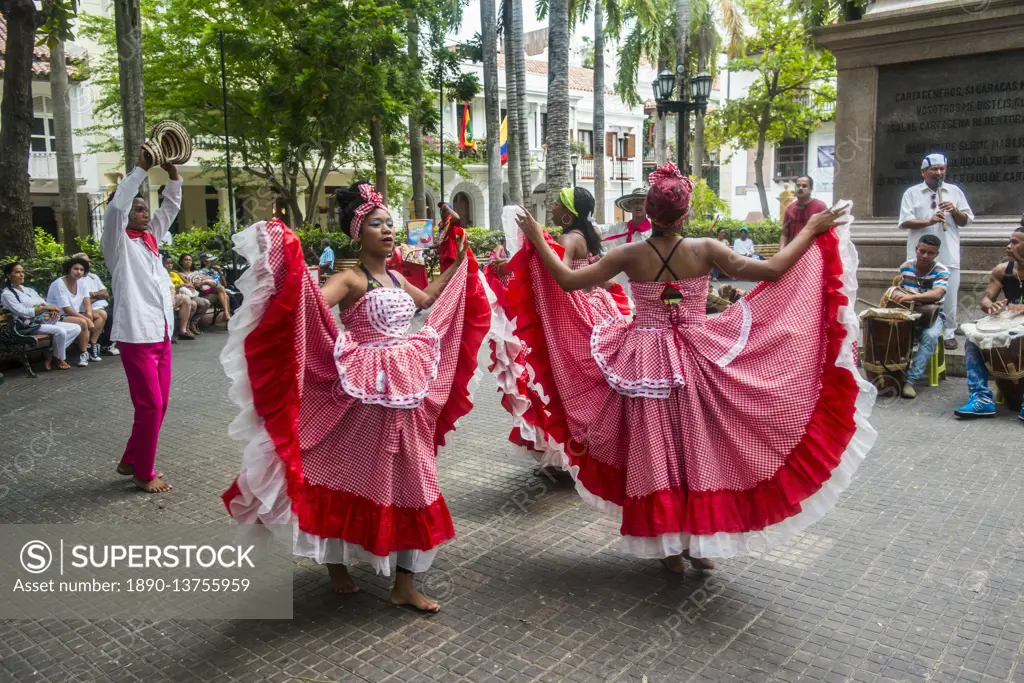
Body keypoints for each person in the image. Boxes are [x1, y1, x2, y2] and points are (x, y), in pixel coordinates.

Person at [507, 161, 875, 571]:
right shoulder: (706, 249)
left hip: (642, 360)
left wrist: (535, 239)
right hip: (698, 354)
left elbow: (567, 281)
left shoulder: (629, 253)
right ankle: (692, 544)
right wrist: (811, 230)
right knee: (698, 446)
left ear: (647, 212)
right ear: (686, 213)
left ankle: (672, 547)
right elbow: (773, 270)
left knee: (657, 449)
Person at [221, 181, 489, 612]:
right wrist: (287, 264)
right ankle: (336, 564)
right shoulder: (348, 276)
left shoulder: (398, 275)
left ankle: (404, 584)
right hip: (363, 393)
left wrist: (459, 261)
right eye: (376, 224)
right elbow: (309, 306)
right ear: (357, 233)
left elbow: (428, 299)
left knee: (416, 479)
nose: (387, 231)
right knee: (349, 477)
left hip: (408, 389)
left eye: (389, 224)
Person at [101, 146, 181, 494]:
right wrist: (140, 171)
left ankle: (131, 459)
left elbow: (171, 207)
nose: (143, 212)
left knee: (159, 405)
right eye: (138, 208)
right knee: (149, 405)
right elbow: (118, 207)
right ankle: (143, 474)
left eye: (145, 207)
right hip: (136, 335)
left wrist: (173, 175)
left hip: (162, 332)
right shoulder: (117, 243)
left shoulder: (151, 239)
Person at [899, 153, 974, 350]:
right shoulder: (911, 193)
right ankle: (915, 329)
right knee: (914, 292)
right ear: (923, 172)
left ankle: (948, 332)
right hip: (919, 254)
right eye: (934, 169)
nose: (939, 172)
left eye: (942, 168)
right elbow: (905, 221)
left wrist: (955, 211)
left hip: (948, 252)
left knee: (949, 294)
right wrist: (929, 221)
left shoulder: (954, 191)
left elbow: (966, 220)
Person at [953, 225, 1024, 421]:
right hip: (1010, 324)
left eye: (1014, 242)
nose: (1008, 246)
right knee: (972, 340)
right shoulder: (1002, 270)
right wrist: (990, 305)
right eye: (1009, 241)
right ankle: (981, 398)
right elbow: (985, 299)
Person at [892, 235, 949, 399]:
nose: (925, 256)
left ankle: (910, 381)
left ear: (936, 254)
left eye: (930, 253)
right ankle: (893, 374)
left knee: (930, 336)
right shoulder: (905, 267)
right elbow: (899, 289)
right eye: (922, 251)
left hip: (934, 315)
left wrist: (913, 297)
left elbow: (938, 293)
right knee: (889, 329)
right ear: (916, 249)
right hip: (909, 313)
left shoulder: (942, 271)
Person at [2, 262, 82, 370]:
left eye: (22, 272)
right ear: (8, 275)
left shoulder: (28, 290)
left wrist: (52, 309)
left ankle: (50, 354)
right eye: (17, 272)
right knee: (60, 331)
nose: (21, 275)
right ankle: (58, 358)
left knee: (75, 328)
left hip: (43, 320)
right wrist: (44, 309)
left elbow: (43, 302)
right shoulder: (7, 294)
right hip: (28, 325)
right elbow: (22, 312)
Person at [46, 257, 95, 366]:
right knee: (83, 322)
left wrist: (89, 314)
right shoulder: (59, 284)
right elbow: (66, 309)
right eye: (75, 269)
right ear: (69, 269)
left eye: (81, 270)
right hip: (56, 316)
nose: (78, 272)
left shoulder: (82, 283)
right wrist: (86, 319)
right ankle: (83, 353)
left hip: (72, 314)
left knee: (90, 317)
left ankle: (86, 353)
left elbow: (87, 301)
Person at [180, 254, 231, 323]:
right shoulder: (181, 274)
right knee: (225, 294)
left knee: (224, 292)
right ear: (181, 261)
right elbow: (193, 286)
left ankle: (226, 315)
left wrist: (204, 280)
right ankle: (227, 315)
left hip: (209, 290)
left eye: (190, 260)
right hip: (199, 293)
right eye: (186, 260)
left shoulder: (196, 272)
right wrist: (201, 282)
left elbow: (214, 283)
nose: (188, 261)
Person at [780, 176, 829, 248]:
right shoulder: (789, 209)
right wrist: (781, 253)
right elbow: (785, 234)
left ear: (810, 189)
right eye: (798, 185)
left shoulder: (820, 206)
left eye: (804, 186)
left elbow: (827, 232)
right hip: (793, 254)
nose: (800, 188)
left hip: (814, 253)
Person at [161, 256, 196, 341]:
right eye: (167, 263)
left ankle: (183, 330)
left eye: (171, 263)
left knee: (187, 300)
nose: (169, 265)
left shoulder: (174, 274)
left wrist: (173, 297)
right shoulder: (160, 273)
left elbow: (172, 287)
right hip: (159, 299)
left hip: (172, 297)